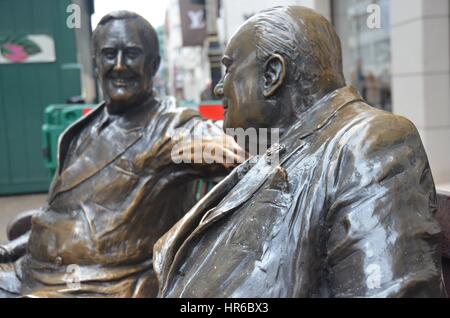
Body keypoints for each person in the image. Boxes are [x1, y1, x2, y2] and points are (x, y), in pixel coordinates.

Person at [154, 6, 446, 297]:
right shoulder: (279, 149)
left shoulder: (368, 141)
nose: (219, 88)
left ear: (272, 74)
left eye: (229, 68)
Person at [0, 11, 242, 298]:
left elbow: (241, 146)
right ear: (96, 63)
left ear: (153, 64)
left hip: (96, 286)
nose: (118, 66)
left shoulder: (170, 128)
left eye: (131, 54)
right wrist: (10, 250)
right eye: (108, 54)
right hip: (32, 271)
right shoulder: (81, 131)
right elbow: (58, 214)